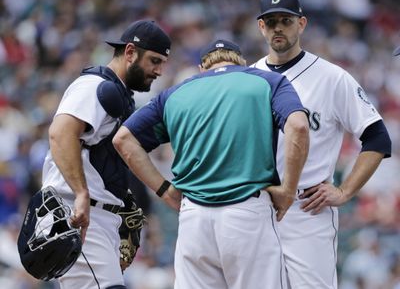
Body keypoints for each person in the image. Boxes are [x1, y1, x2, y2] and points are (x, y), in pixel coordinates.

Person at [113, 39, 310, 289]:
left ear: (201, 68)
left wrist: (164, 190)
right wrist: (288, 191)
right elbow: (299, 126)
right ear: (241, 62)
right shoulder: (266, 80)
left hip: (193, 218)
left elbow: (123, 139)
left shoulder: (175, 93)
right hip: (248, 211)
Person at [253, 0, 392, 289]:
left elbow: (377, 138)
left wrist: (344, 191)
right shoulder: (247, 78)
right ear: (261, 26)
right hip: (255, 206)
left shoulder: (332, 77)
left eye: (286, 20)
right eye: (271, 20)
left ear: (301, 24)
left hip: (307, 208)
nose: (278, 27)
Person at [40, 20, 171, 289]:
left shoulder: (120, 95)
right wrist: (80, 193)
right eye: (154, 61)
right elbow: (60, 133)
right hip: (78, 214)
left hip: (96, 217)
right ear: (131, 52)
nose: (158, 71)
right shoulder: (95, 86)